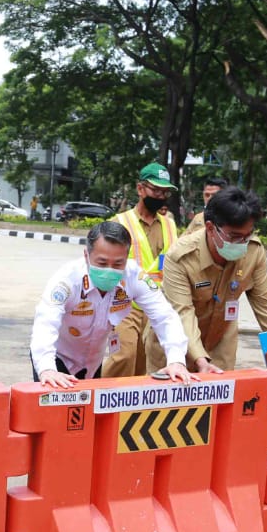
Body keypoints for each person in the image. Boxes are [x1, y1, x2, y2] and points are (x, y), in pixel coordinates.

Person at [32, 221, 193, 388]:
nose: (109, 270)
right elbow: (45, 323)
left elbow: (164, 316)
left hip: (93, 363)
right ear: (86, 256)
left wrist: (176, 360)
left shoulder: (134, 276)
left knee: (90, 411)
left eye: (118, 264)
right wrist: (46, 369)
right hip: (56, 358)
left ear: (126, 258)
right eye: (102, 263)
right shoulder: (67, 280)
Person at [147, 187, 267, 372]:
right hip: (175, 348)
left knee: (220, 399)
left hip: (221, 341)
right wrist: (200, 360)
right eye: (234, 236)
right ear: (211, 228)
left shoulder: (253, 251)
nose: (242, 243)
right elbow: (183, 313)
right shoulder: (180, 257)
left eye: (248, 235)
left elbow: (266, 305)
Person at [101, 161, 179, 377]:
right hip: (124, 302)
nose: (161, 196)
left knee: (146, 364)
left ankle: (133, 407)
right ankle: (101, 399)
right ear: (140, 189)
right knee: (123, 356)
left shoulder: (170, 225)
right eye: (156, 190)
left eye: (165, 192)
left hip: (156, 303)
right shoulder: (119, 223)